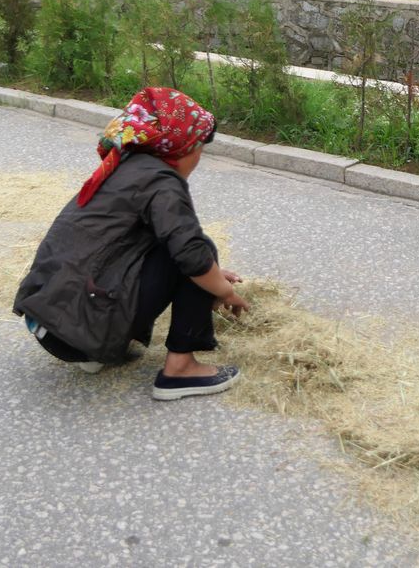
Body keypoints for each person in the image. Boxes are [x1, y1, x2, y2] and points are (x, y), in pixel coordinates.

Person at [14, 87, 251, 401]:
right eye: (200, 149)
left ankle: (94, 352)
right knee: (199, 250)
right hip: (76, 329)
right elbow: (191, 254)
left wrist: (214, 273)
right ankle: (180, 369)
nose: (199, 158)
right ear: (185, 147)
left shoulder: (126, 165)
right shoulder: (161, 182)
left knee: (192, 256)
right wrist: (223, 289)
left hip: (50, 320)